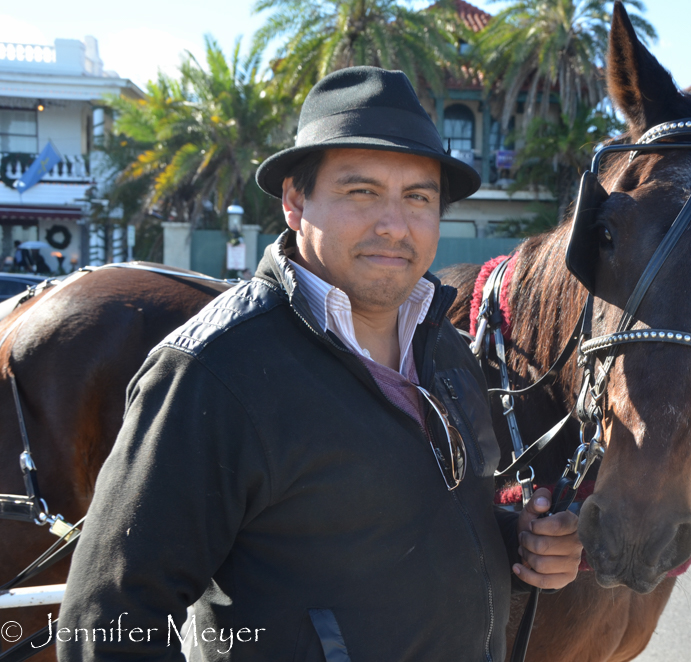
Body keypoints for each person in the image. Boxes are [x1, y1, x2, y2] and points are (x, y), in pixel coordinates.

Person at [58, 67, 582, 661]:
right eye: (361, 192)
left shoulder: (449, 350)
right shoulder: (214, 371)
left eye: (418, 197)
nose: (394, 224)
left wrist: (521, 546)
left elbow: (409, 527)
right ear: (294, 200)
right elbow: (107, 622)